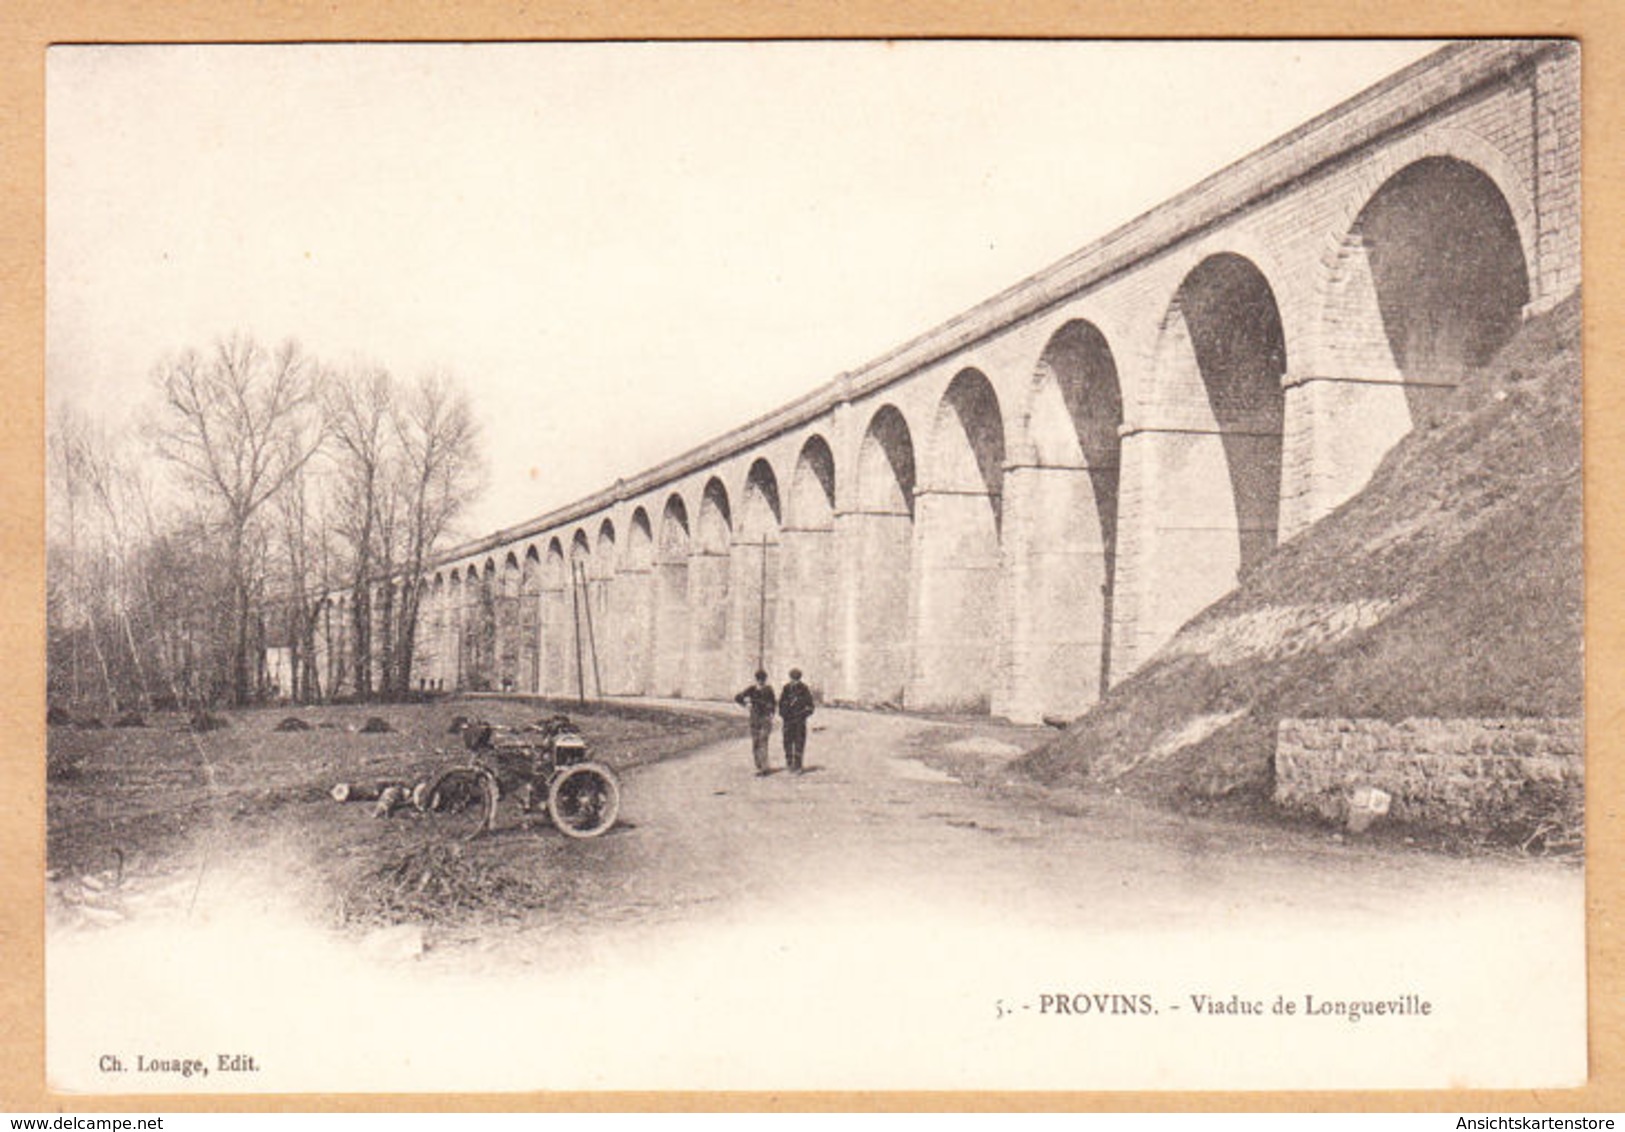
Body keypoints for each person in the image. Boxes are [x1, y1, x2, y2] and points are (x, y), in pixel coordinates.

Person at [734, 669, 777, 775]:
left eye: (763, 679)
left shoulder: (769, 689)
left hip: (765, 718)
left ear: (765, 679)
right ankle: (758, 765)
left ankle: (764, 767)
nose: (761, 681)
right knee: (756, 742)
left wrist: (771, 713)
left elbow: (773, 702)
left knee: (763, 741)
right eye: (759, 679)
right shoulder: (751, 689)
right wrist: (746, 704)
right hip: (755, 717)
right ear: (756, 679)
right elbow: (738, 697)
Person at [779, 668, 815, 774]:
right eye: (793, 679)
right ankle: (789, 763)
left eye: (796, 679)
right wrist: (783, 714)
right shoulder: (786, 688)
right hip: (788, 721)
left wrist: (803, 715)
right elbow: (781, 703)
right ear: (790, 678)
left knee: (799, 742)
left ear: (800, 678)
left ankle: (798, 766)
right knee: (787, 742)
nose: (794, 681)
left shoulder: (804, 689)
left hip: (799, 721)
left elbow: (811, 706)